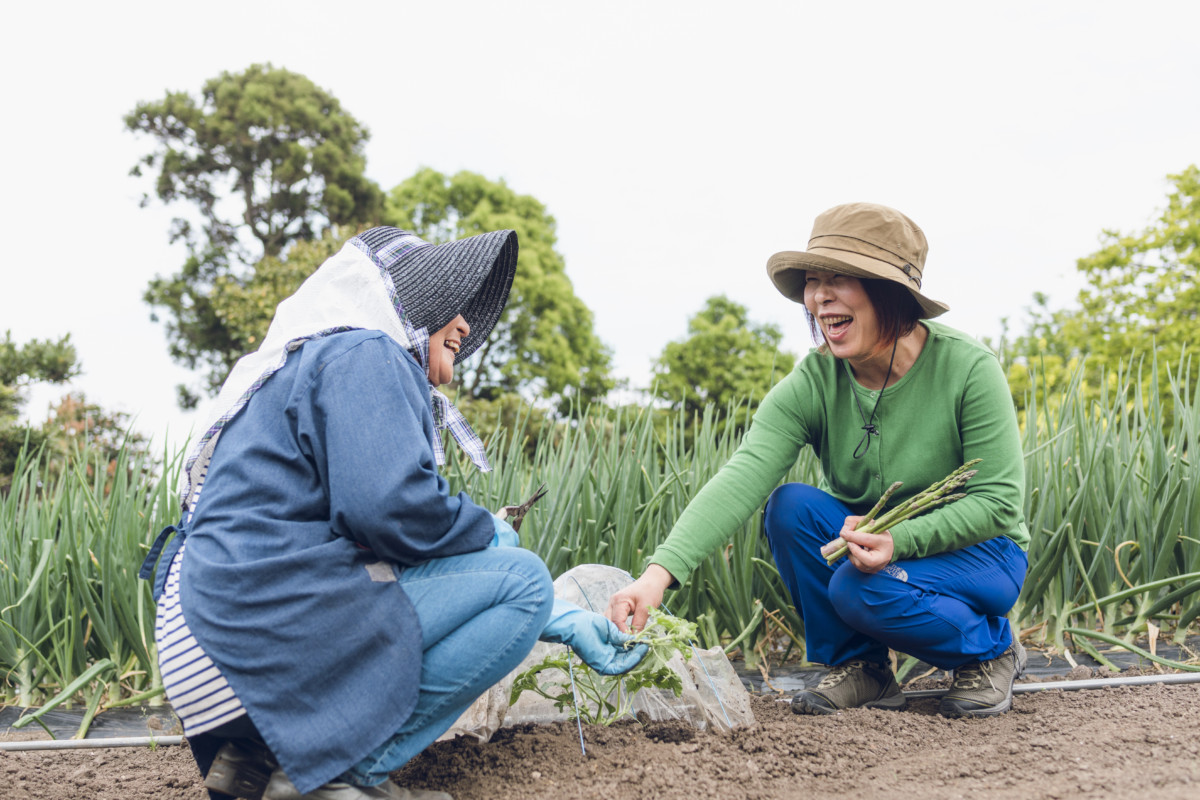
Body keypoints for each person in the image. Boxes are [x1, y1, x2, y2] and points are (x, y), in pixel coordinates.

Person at [140, 227, 646, 800]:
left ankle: (260, 765)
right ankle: (335, 778)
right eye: (452, 305)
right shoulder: (365, 351)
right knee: (524, 581)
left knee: (508, 583)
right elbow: (391, 511)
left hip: (210, 657)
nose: (465, 326)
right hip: (252, 639)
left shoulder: (313, 362)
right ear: (409, 302)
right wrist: (488, 533)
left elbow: (374, 541)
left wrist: (558, 616)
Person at [607, 202, 1029, 719]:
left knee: (857, 589)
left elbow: (998, 502)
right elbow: (743, 475)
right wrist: (657, 575)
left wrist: (900, 539)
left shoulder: (968, 369)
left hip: (982, 554)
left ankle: (991, 651)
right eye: (813, 280)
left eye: (840, 279)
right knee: (790, 508)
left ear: (890, 292)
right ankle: (863, 668)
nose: (819, 296)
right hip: (876, 544)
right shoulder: (815, 381)